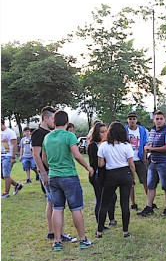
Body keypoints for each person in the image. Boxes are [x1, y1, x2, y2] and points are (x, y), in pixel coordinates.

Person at [41, 110, 94, 251]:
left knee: (57, 208)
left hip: (53, 176)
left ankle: (57, 241)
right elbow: (76, 155)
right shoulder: (69, 136)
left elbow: (44, 158)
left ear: (53, 122)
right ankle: (83, 240)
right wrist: (88, 167)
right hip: (69, 176)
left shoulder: (47, 138)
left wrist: (52, 168)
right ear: (67, 122)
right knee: (75, 208)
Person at [32, 106, 77, 242]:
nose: (54, 121)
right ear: (45, 118)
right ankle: (58, 233)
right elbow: (36, 155)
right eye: (52, 118)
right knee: (55, 203)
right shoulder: (38, 133)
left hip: (54, 172)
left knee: (51, 201)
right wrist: (44, 173)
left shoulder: (52, 133)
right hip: (49, 173)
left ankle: (52, 232)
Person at [96, 122, 136, 239]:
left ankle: (99, 231)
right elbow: (131, 164)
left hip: (111, 175)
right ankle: (125, 231)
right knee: (124, 203)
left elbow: (101, 164)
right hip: (125, 174)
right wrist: (133, 177)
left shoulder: (103, 146)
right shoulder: (126, 145)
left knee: (104, 203)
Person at [137, 110, 166, 217]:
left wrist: (152, 149)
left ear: (164, 120)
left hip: (164, 162)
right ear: (153, 120)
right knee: (150, 185)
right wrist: (147, 148)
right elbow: (150, 144)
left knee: (165, 185)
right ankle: (149, 207)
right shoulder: (152, 131)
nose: (159, 121)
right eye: (157, 119)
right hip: (153, 161)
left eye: (161, 119)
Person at [87, 122, 117, 229]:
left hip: (108, 174)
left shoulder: (108, 144)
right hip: (97, 175)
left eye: (106, 132)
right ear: (96, 133)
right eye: (102, 132)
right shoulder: (93, 145)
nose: (104, 134)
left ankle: (112, 219)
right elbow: (95, 163)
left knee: (112, 197)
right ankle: (100, 224)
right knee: (100, 199)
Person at [124, 111, 149, 210]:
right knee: (131, 182)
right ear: (127, 120)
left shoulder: (142, 130)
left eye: (134, 119)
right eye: (130, 119)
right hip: (128, 160)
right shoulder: (124, 130)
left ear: (136, 120)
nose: (132, 121)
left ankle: (149, 201)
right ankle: (133, 202)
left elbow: (146, 144)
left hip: (139, 158)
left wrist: (145, 157)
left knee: (145, 181)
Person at [1, 120, 23, 199]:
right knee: (2, 175)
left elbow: (14, 145)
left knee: (6, 175)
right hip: (1, 155)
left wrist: (13, 157)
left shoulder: (10, 132)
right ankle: (17, 185)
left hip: (8, 156)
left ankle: (6, 192)